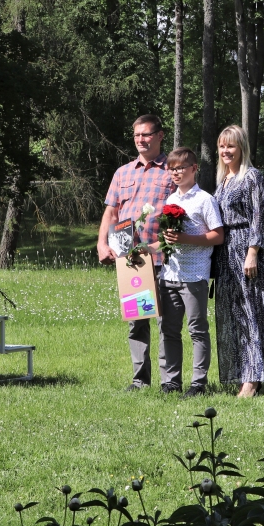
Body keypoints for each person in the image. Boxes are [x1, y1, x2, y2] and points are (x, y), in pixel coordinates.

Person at [97, 115, 175, 391]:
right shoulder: (123, 172)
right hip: (132, 261)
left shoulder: (172, 171)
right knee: (137, 322)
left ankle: (169, 382)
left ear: (160, 136)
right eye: (137, 135)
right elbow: (111, 211)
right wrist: (102, 243)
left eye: (146, 135)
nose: (141, 140)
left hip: (164, 258)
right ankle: (140, 381)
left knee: (167, 322)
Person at [212, 125, 264, 397]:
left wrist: (253, 251)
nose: (225, 151)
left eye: (230, 146)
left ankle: (253, 377)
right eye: (222, 146)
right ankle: (242, 371)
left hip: (247, 251)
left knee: (253, 312)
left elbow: (259, 216)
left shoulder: (252, 177)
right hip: (225, 255)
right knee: (234, 316)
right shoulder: (223, 181)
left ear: (242, 148)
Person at [155, 147, 224, 396]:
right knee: (168, 330)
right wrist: (145, 249)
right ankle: (171, 381)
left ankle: (198, 383)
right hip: (169, 275)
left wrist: (185, 238)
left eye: (181, 168)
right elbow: (167, 240)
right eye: (171, 168)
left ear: (194, 169)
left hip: (194, 276)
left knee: (197, 330)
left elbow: (218, 235)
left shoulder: (205, 200)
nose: (175, 172)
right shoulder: (170, 201)